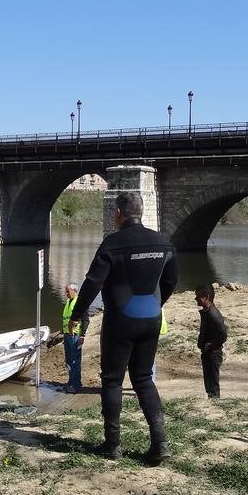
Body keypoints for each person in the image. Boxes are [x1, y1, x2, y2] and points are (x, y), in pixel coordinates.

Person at [68, 192, 178, 465]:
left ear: (118, 212)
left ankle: (113, 445)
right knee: (142, 379)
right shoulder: (163, 243)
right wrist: (155, 303)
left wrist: (77, 315)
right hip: (151, 318)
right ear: (140, 211)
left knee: (113, 380)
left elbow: (92, 283)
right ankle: (160, 443)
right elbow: (171, 281)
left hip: (120, 321)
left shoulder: (111, 244)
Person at [195, 284, 228, 399]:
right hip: (208, 352)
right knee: (209, 380)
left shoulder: (213, 314)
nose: (196, 299)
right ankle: (212, 399)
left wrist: (211, 346)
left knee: (212, 381)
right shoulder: (207, 312)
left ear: (207, 297)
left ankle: (215, 402)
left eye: (198, 296)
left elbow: (223, 334)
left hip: (213, 353)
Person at [61, 283, 90, 393]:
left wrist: (83, 335)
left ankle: (76, 384)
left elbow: (86, 320)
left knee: (75, 361)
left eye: (68, 291)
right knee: (69, 360)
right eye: (66, 291)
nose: (66, 293)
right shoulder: (68, 301)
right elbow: (66, 319)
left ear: (74, 291)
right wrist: (62, 331)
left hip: (76, 336)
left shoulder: (80, 302)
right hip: (67, 335)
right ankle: (71, 382)